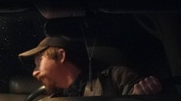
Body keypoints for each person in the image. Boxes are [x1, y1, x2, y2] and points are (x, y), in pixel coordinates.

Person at [18, 35, 162, 96]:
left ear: (61, 56)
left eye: (38, 62)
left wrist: (140, 98)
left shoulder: (114, 79)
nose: (34, 73)